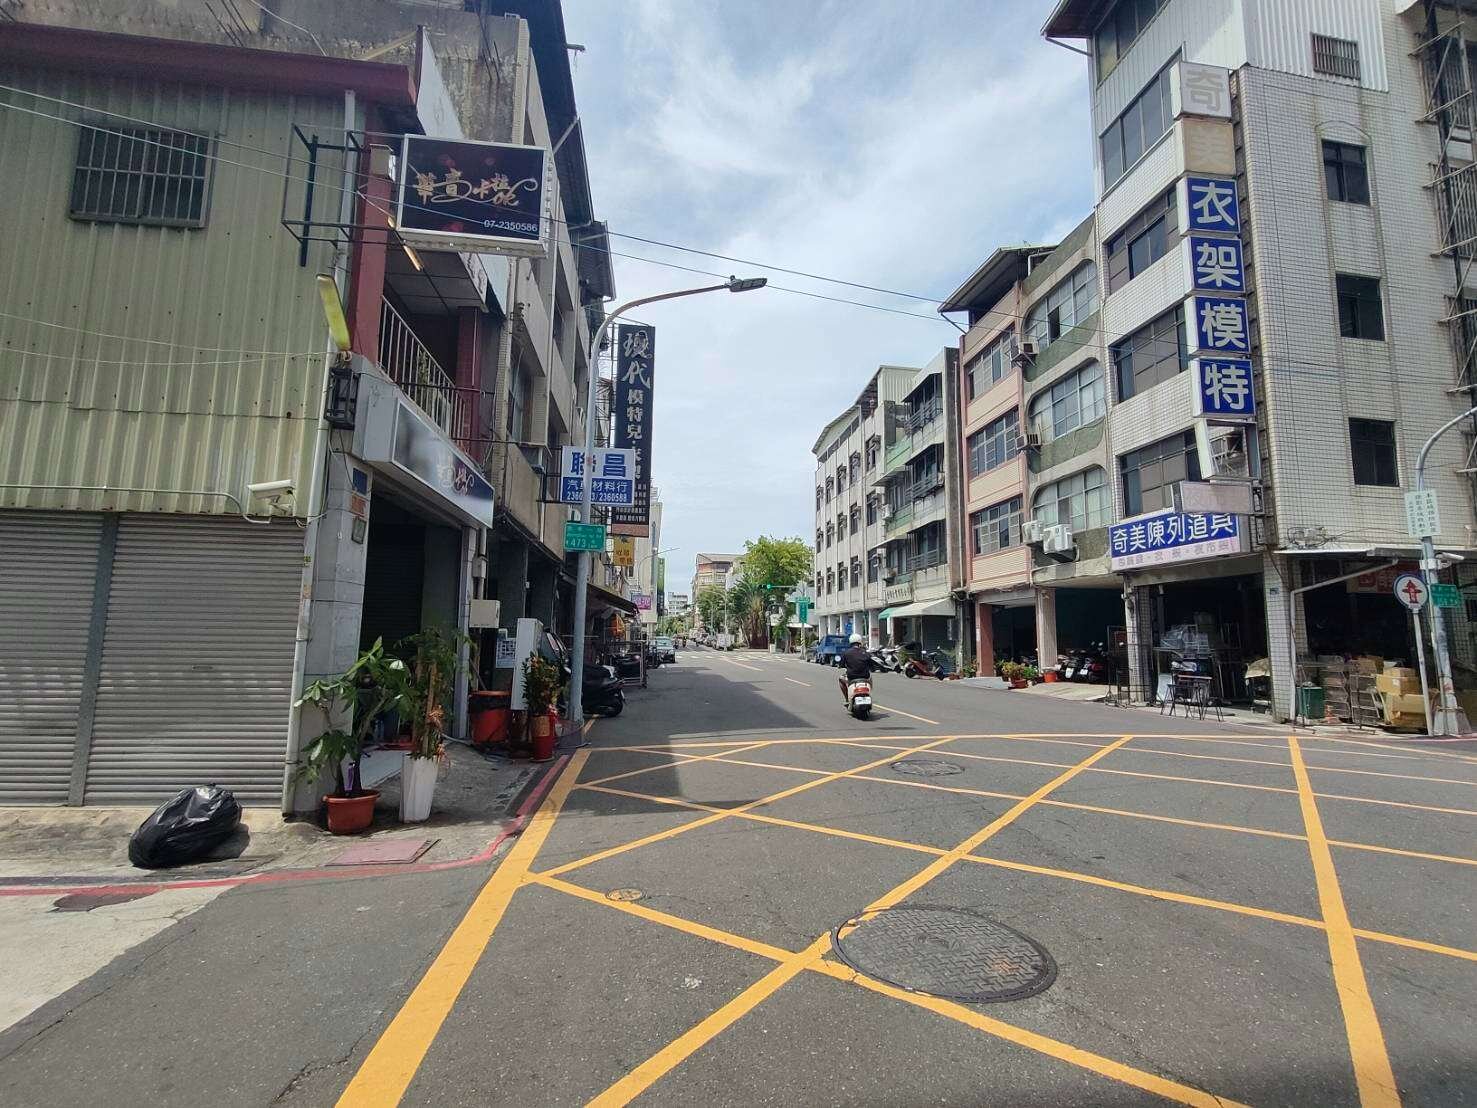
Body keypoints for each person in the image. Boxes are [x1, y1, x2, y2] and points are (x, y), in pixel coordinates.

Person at [839, 632, 874, 705]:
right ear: (860, 642)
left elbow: (841, 665)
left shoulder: (846, 653)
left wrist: (843, 666)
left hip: (852, 677)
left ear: (850, 642)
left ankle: (847, 699)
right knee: (870, 677)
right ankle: (869, 692)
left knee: (840, 679)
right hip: (865, 677)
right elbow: (871, 665)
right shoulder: (865, 652)